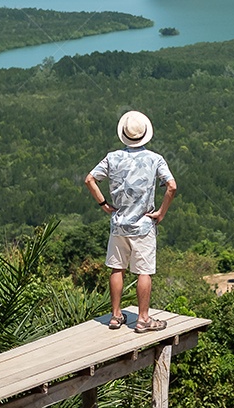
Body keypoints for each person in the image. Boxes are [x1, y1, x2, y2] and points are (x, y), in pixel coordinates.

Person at [85, 110, 177, 332]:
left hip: (118, 224)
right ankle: (143, 319)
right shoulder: (155, 159)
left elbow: (90, 179)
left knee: (117, 269)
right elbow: (172, 186)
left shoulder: (112, 157)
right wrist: (162, 212)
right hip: (144, 226)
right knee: (143, 272)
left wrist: (104, 204)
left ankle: (116, 316)